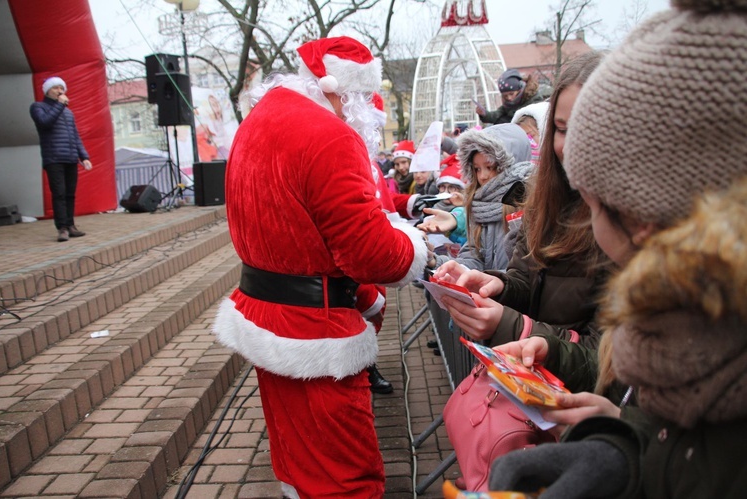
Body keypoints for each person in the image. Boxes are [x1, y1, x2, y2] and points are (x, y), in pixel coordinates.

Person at [487, 1, 747, 496]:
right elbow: (685, 437)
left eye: (590, 200)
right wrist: (622, 447)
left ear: (643, 221)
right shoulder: (698, 331)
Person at [212, 37, 429, 499]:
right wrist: (416, 245)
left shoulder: (263, 119)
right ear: (342, 91)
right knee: (346, 478)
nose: (368, 113)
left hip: (268, 315)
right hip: (317, 329)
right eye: (365, 101)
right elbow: (369, 254)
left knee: (298, 460)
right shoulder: (330, 134)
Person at [433, 51, 608, 350]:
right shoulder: (546, 199)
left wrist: (512, 327)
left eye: (586, 127)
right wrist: (495, 284)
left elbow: (606, 359)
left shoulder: (632, 225)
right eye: (562, 129)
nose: (570, 144)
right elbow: (526, 278)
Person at [424, 123, 533, 272]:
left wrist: (495, 283)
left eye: (491, 167)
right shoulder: (478, 206)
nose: (482, 176)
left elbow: (527, 272)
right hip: (489, 294)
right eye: (477, 169)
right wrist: (436, 261)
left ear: (511, 165)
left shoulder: (530, 205)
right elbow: (474, 257)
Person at [29, 76, 92, 242]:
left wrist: (84, 156)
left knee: (70, 194)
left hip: (70, 158)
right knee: (59, 193)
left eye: (61, 88)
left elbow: (75, 135)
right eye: (56, 88)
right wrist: (59, 104)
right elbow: (45, 123)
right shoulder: (38, 107)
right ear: (47, 90)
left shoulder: (68, 112)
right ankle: (62, 228)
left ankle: (71, 225)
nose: (60, 91)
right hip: (54, 157)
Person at [476, 69, 549, 125]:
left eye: (511, 94)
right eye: (505, 96)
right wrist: (484, 113)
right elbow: (496, 115)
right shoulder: (507, 105)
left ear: (520, 88)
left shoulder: (534, 100)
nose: (509, 98)